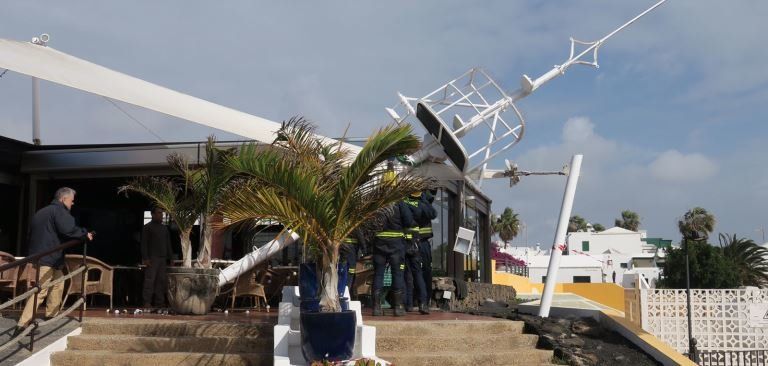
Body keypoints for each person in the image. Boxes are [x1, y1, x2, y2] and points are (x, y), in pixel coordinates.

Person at [16, 187, 93, 334]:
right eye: (71, 200)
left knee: (59, 283)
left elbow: (31, 234)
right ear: (63, 199)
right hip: (47, 256)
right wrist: (84, 234)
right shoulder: (59, 211)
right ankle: (22, 326)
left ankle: (51, 315)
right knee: (41, 290)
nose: (73, 204)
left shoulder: (41, 212)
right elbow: (69, 229)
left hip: (46, 256)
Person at [371, 199, 415, 317]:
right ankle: (398, 307)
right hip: (396, 245)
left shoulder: (378, 201)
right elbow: (409, 221)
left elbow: (369, 222)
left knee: (378, 274)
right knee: (397, 274)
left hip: (379, 244)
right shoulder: (400, 203)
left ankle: (376, 308)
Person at [141, 207, 174, 308]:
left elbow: (168, 244)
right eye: (159, 213)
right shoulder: (147, 227)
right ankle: (147, 301)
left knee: (161, 281)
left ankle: (159, 302)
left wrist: (171, 258)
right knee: (150, 280)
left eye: (162, 213)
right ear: (153, 214)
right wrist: (145, 258)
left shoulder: (164, 228)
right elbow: (144, 244)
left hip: (162, 258)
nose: (161, 215)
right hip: (152, 258)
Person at [403, 192, 429, 314]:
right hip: (415, 244)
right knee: (417, 274)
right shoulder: (421, 205)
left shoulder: (403, 204)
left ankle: (408, 304)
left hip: (405, 243)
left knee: (406, 276)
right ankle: (423, 304)